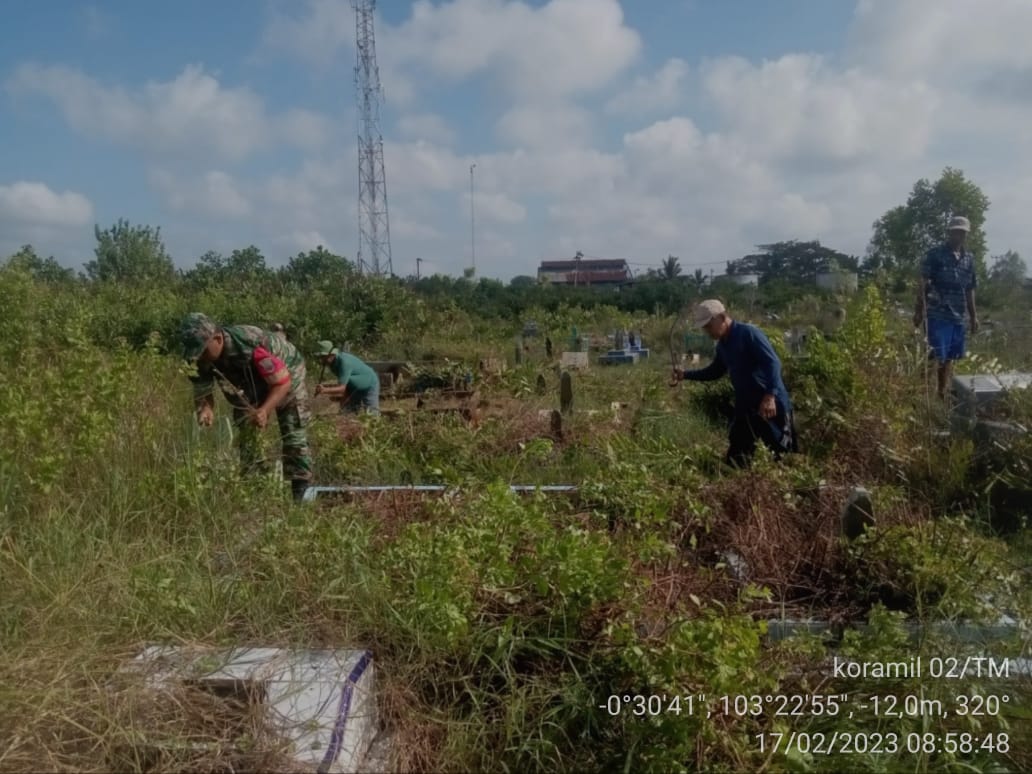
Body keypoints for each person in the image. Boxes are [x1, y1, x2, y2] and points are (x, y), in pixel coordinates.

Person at [180, 312, 313, 502]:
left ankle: (300, 493)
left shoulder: (250, 345)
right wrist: (205, 410)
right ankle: (255, 486)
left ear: (217, 339)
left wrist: (265, 410)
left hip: (286, 369)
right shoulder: (195, 358)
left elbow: (281, 383)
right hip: (249, 380)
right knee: (246, 426)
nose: (200, 358)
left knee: (292, 429)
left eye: (203, 351)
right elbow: (202, 391)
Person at [672, 300, 797, 468]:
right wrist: (685, 375)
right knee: (736, 458)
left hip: (771, 406)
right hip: (747, 408)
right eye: (705, 328)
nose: (707, 331)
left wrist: (769, 396)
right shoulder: (723, 346)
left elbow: (773, 363)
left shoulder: (748, 333)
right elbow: (714, 372)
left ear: (722, 317)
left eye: (709, 326)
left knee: (783, 456)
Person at [914, 215, 979, 399]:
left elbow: (970, 289)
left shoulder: (969, 259)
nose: (958, 235)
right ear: (949, 232)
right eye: (955, 232)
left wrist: (973, 316)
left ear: (966, 234)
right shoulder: (935, 254)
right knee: (934, 355)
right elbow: (923, 283)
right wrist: (919, 311)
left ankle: (941, 394)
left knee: (949, 357)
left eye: (962, 232)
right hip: (937, 313)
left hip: (957, 316)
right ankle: (922, 394)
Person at [313, 341, 381, 414]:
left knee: (372, 415)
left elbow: (341, 388)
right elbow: (344, 387)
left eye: (323, 357)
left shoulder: (344, 362)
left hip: (369, 384)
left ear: (331, 354)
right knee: (347, 413)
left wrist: (324, 390)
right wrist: (342, 408)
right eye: (320, 357)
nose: (321, 359)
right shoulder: (332, 364)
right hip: (353, 388)